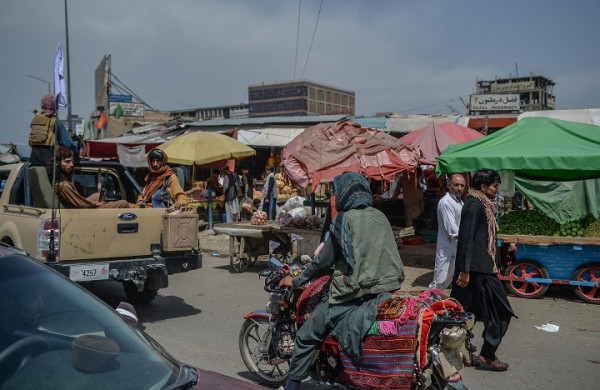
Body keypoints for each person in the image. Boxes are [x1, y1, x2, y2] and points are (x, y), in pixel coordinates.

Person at [278, 172, 405, 390]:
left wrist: (297, 280)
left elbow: (322, 262)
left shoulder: (344, 220)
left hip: (353, 295)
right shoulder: (380, 216)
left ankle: (290, 386)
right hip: (386, 289)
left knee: (307, 335)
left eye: (336, 194)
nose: (335, 199)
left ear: (344, 194)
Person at [451, 168, 516, 371]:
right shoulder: (474, 206)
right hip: (477, 272)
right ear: (483, 186)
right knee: (501, 312)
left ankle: (470, 353)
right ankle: (485, 355)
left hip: (482, 269)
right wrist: (465, 270)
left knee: (461, 314)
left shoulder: (483, 205)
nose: (496, 190)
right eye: (494, 186)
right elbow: (466, 239)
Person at [50, 146, 130, 209]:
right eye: (67, 162)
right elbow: (81, 205)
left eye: (72, 161)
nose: (71, 165)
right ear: (57, 163)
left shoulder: (61, 182)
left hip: (82, 207)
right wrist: (95, 205)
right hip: (82, 210)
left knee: (97, 195)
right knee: (123, 203)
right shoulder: (65, 186)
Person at [429, 173, 466, 290]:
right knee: (440, 280)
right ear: (449, 185)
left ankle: (436, 303)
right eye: (456, 185)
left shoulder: (460, 202)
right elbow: (453, 231)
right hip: (447, 248)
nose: (459, 188)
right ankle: (428, 303)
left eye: (462, 186)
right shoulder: (446, 202)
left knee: (448, 279)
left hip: (456, 247)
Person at [29, 94, 79, 166]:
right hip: (48, 162)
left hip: (33, 161)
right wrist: (77, 148)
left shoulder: (35, 119)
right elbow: (67, 143)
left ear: (42, 105)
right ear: (55, 106)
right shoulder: (55, 121)